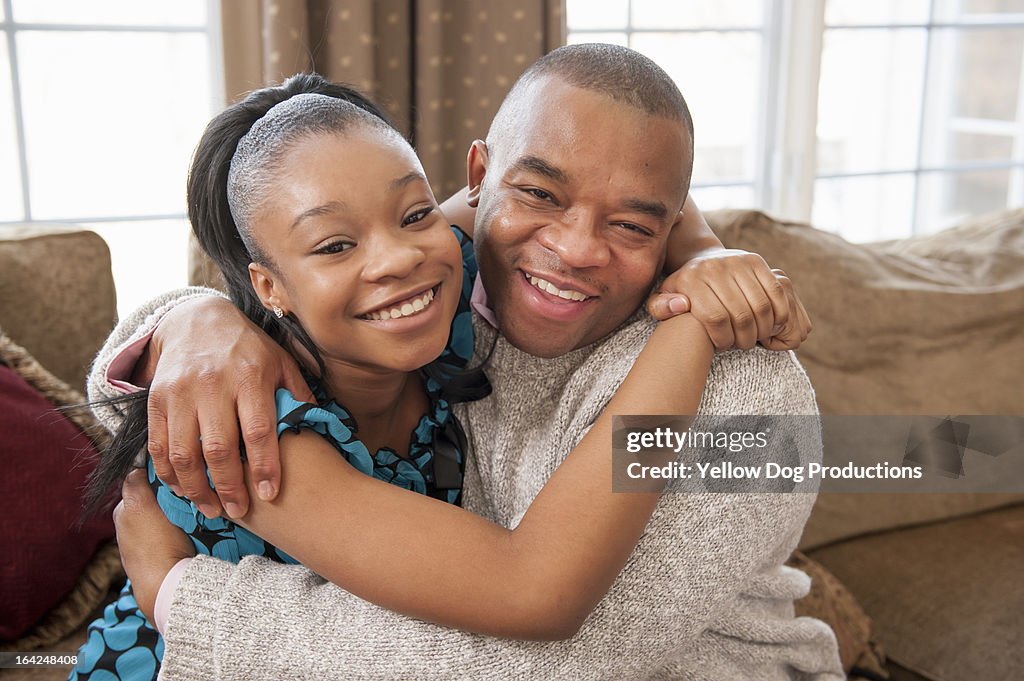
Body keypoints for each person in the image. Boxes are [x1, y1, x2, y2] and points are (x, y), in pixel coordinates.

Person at [93, 45, 842, 679]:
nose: (575, 248)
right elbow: (115, 393)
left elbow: (565, 656)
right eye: (540, 193)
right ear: (480, 178)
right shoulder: (261, 415)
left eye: (632, 224)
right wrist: (190, 320)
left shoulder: (748, 394)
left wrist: (185, 598)